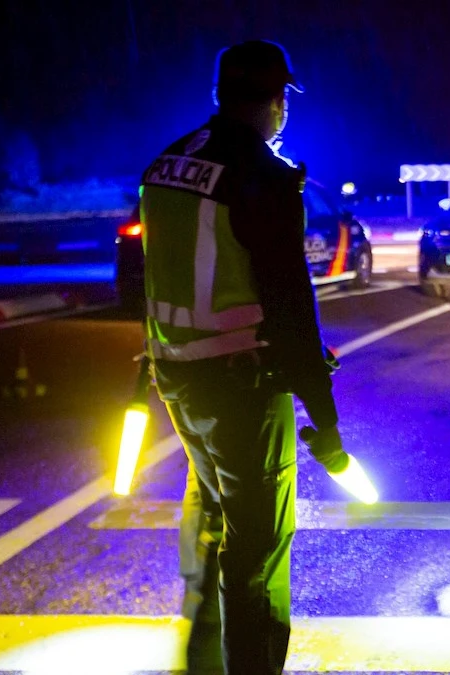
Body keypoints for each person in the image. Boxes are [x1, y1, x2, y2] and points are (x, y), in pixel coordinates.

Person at [138, 40, 341, 674]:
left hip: (177, 379)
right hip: (242, 387)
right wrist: (326, 422)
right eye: (283, 99)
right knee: (259, 555)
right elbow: (290, 306)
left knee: (216, 519)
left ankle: (201, 656)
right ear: (277, 101)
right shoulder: (264, 178)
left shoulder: (166, 163)